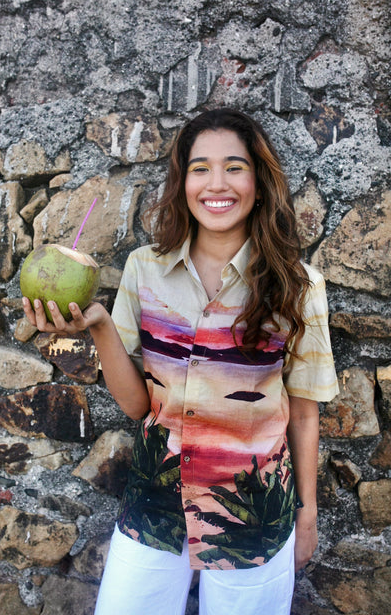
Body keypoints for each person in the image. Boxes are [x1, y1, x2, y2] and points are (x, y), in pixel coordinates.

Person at [23, 108, 339, 615]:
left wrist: (308, 516)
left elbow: (303, 413)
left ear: (259, 180)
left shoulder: (299, 287)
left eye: (235, 167)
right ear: (183, 181)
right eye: (200, 168)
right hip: (155, 505)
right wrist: (100, 324)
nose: (218, 183)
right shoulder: (146, 268)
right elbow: (135, 407)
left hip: (253, 516)